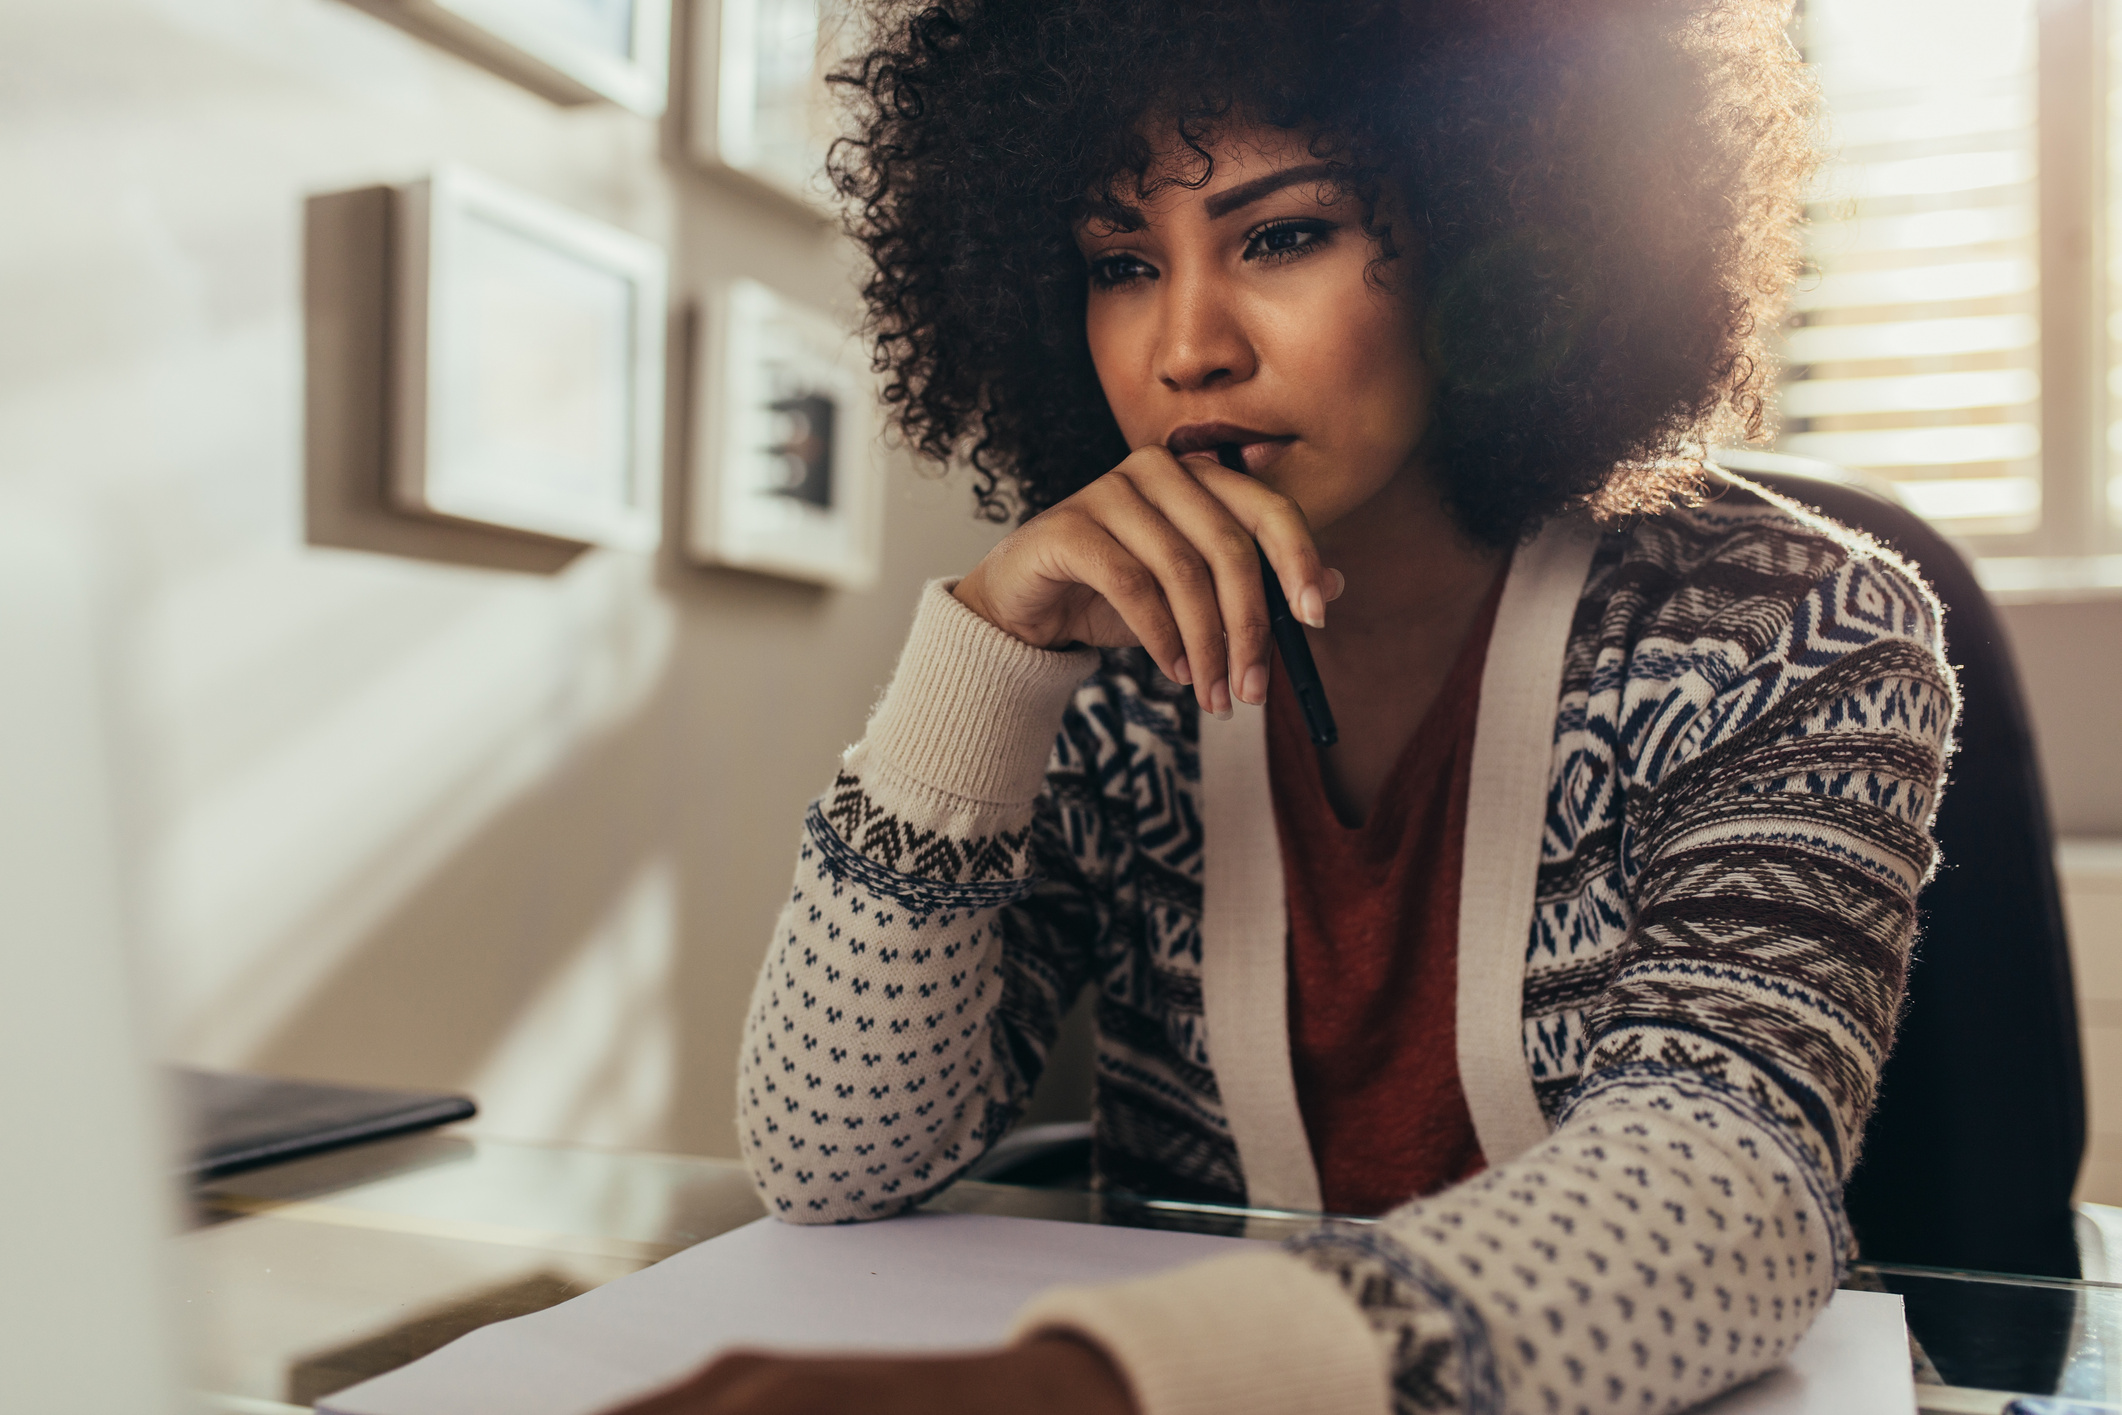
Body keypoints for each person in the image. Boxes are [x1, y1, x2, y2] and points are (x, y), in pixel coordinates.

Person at [619, 1, 1956, 1411]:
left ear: (1494, 237)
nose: (1184, 347)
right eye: (1120, 264)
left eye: (1281, 235)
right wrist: (986, 654)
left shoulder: (1781, 628)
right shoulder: (1102, 673)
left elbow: (1725, 1192)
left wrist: (1106, 1388)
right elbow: (833, 1158)